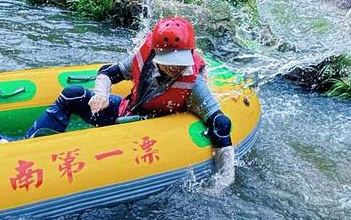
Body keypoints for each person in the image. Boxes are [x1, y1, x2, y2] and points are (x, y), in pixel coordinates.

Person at [25, 17, 236, 191]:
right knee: (72, 95)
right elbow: (108, 72)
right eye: (170, 63)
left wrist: (224, 181)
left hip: (153, 133)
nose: (175, 68)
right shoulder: (144, 59)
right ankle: (28, 147)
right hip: (126, 114)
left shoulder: (193, 84)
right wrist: (101, 95)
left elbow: (220, 124)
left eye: (180, 62)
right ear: (157, 54)